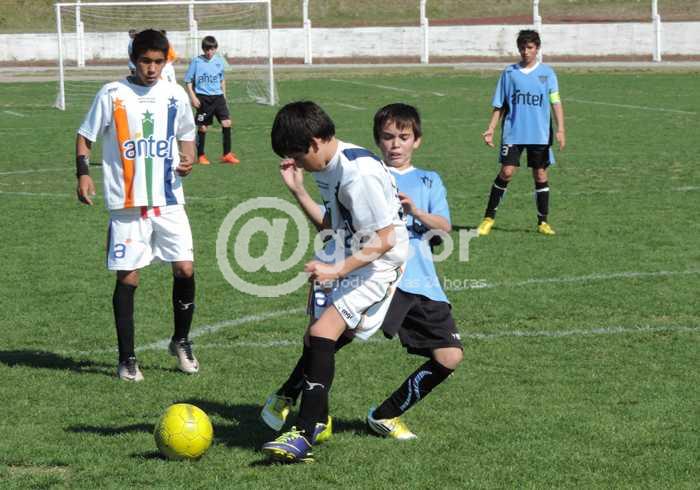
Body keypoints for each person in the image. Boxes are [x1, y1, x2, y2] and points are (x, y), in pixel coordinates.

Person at [260, 103, 463, 445]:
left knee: (327, 333)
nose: (297, 164)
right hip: (359, 257)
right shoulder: (332, 166)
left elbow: (388, 238)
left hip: (389, 267)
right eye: (387, 136)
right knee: (319, 336)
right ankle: (310, 420)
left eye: (297, 155)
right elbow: (334, 228)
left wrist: (337, 270)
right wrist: (299, 191)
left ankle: (310, 425)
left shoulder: (363, 174)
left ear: (314, 142)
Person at [75, 29, 200, 382]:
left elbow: (186, 136)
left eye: (158, 62)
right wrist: (82, 174)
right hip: (127, 203)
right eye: (145, 61)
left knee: (185, 269)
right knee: (129, 276)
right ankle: (127, 358)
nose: (152, 68)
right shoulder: (112, 93)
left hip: (169, 199)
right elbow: (85, 135)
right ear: (133, 59)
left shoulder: (175, 94)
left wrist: (188, 159)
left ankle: (181, 340)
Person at [476, 29, 566, 236]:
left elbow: (555, 102)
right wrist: (491, 128)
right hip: (513, 132)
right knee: (507, 171)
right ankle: (488, 219)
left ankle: (543, 222)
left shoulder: (548, 74)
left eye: (530, 47)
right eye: (522, 48)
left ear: (537, 48)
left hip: (540, 134)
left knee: (540, 173)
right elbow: (500, 104)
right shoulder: (509, 73)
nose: (526, 51)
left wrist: (561, 129)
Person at [183, 35, 239, 165]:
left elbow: (222, 80)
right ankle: (201, 155)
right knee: (203, 127)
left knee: (227, 123)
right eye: (207, 49)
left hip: (218, 97)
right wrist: (193, 97)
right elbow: (188, 81)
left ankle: (227, 154)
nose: (209, 52)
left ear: (215, 49)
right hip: (203, 98)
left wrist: (224, 96)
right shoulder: (196, 62)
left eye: (212, 49)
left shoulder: (218, 61)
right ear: (203, 49)